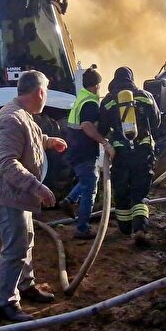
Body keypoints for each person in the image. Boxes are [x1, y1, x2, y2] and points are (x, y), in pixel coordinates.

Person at [0, 71, 65, 321]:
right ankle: (7, 301)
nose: (45, 97)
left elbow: (32, 137)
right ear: (39, 92)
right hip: (7, 195)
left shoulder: (23, 114)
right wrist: (36, 187)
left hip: (16, 194)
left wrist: (49, 141)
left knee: (26, 240)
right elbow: (6, 163)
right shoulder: (12, 118)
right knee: (15, 247)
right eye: (46, 92)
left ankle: (25, 285)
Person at [97, 66, 160, 247]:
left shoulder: (109, 100)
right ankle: (140, 228)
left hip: (120, 153)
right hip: (143, 151)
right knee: (139, 192)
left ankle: (124, 228)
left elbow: (102, 128)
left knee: (122, 189)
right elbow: (156, 122)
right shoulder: (145, 96)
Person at [58, 67, 113, 239]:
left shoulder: (81, 97)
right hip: (83, 152)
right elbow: (87, 126)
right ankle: (82, 228)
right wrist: (104, 142)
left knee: (88, 179)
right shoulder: (90, 103)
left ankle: (69, 200)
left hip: (76, 149)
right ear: (96, 85)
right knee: (90, 187)